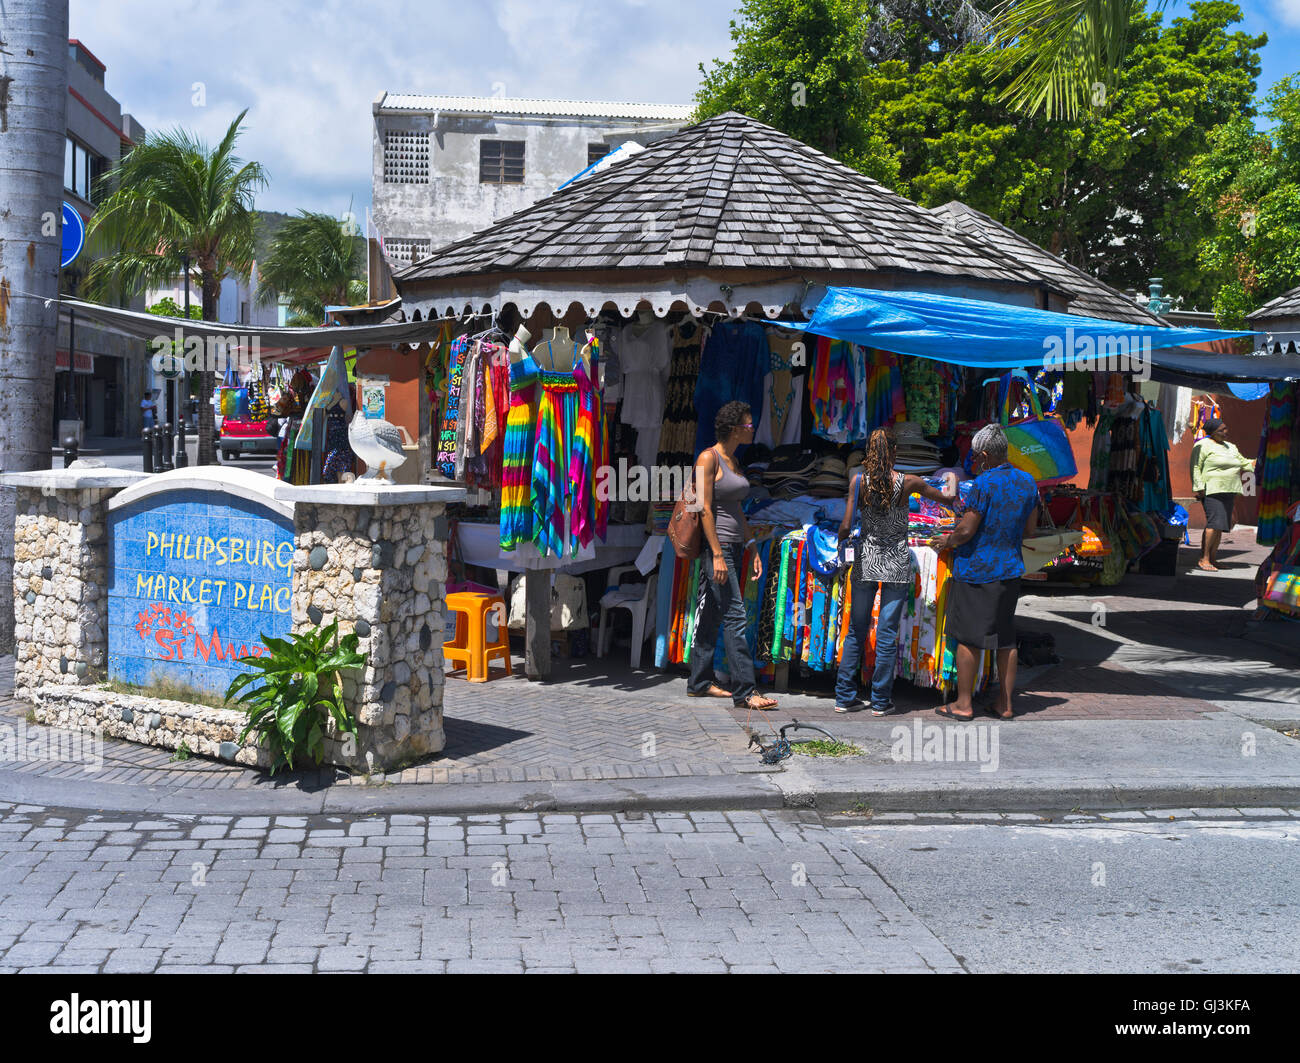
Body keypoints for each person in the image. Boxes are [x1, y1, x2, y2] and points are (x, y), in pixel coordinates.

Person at [835, 426, 956, 714]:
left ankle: (844, 697)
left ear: (869, 453)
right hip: (895, 558)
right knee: (887, 634)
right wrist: (950, 477)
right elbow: (948, 499)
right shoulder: (908, 482)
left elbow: (844, 526)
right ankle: (879, 701)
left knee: (856, 631)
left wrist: (847, 542)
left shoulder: (858, 481)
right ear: (895, 452)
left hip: (866, 557)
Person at [932, 423, 1039, 721]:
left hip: (978, 570)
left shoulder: (984, 483)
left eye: (976, 458)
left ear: (982, 454)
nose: (975, 463)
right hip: (1010, 570)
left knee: (969, 638)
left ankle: (964, 704)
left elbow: (966, 530)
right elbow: (1030, 529)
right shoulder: (1028, 482)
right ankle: (1005, 704)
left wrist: (947, 540)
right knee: (1005, 639)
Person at [689, 400, 777, 711]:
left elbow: (736, 508)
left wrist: (752, 546)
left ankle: (698, 682)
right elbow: (704, 509)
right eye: (749, 426)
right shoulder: (707, 458)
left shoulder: (734, 462)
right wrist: (715, 554)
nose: (752, 430)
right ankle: (746, 691)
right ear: (734, 428)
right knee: (735, 615)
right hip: (718, 547)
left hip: (734, 545)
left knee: (713, 614)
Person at [1191, 417, 1254, 572]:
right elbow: (1195, 466)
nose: (1226, 432)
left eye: (1226, 429)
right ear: (1212, 432)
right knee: (1213, 523)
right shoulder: (1202, 445)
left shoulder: (1231, 447)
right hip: (1212, 489)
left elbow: (1244, 462)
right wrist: (1199, 488)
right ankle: (1204, 559)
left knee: (1220, 526)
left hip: (1230, 489)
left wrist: (1262, 461)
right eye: (1222, 430)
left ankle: (1213, 558)